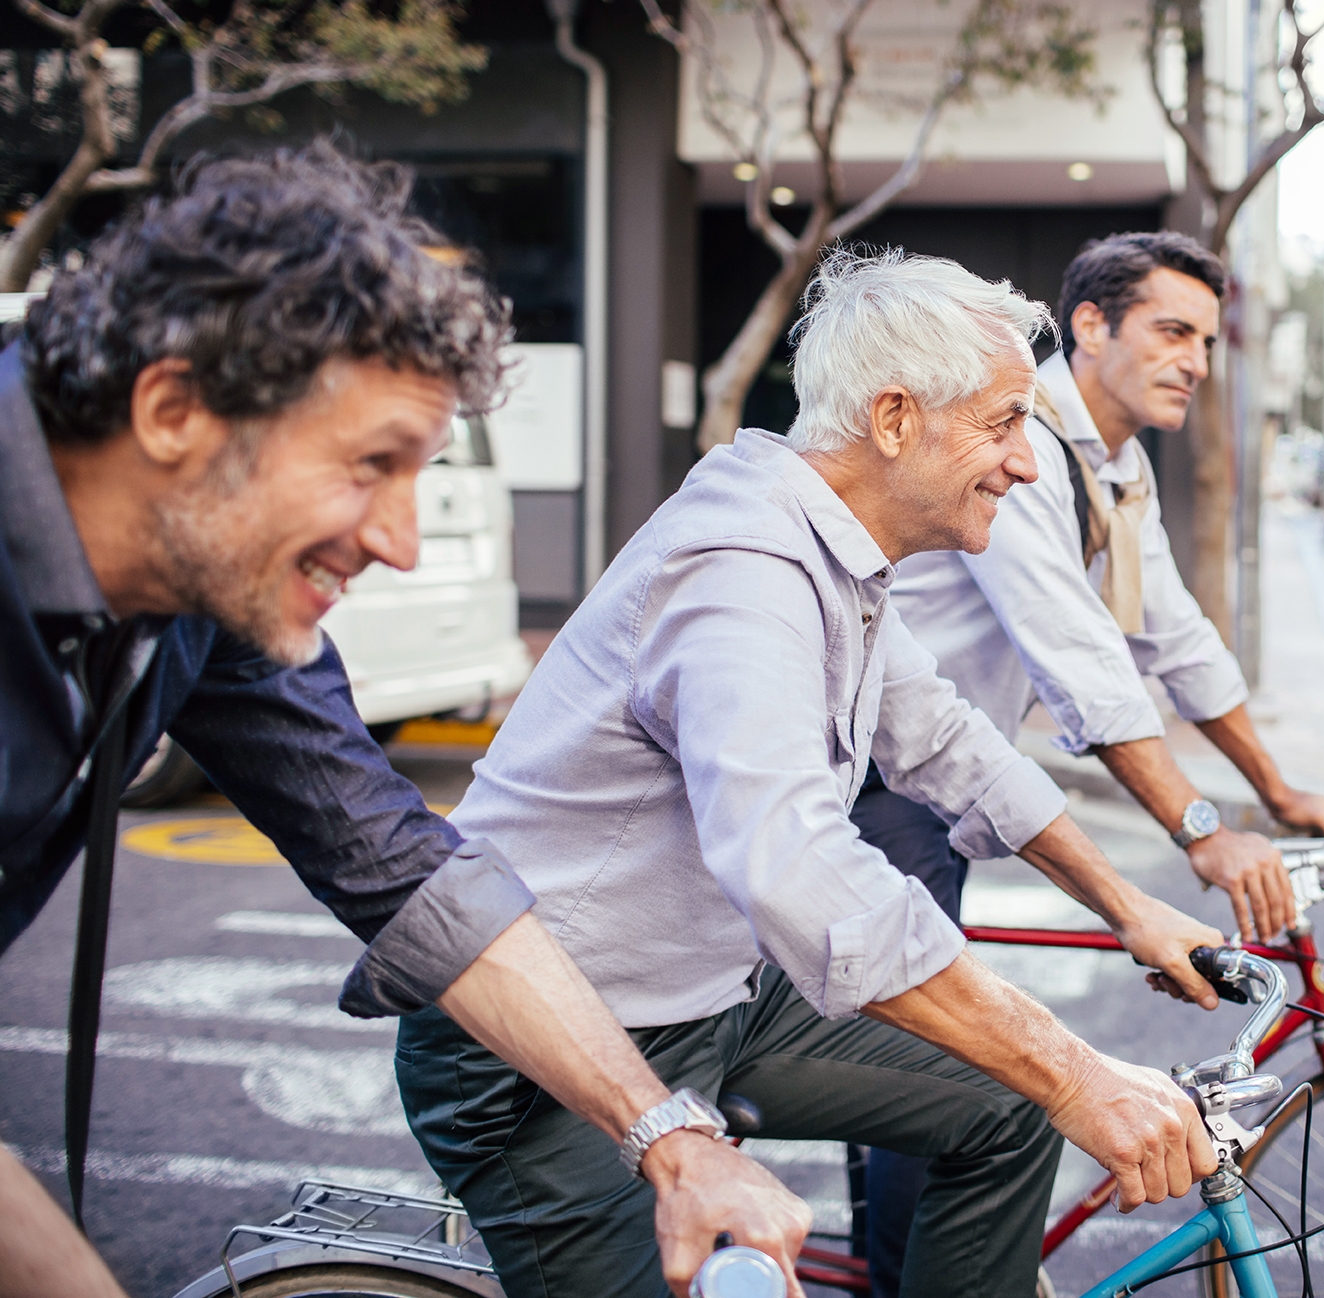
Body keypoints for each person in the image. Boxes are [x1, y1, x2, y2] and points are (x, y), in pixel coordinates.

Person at [0, 144, 808, 1298]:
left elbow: (399, 863)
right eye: (369, 466)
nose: (401, 541)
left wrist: (668, 1137)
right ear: (172, 409)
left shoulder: (203, 599)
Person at [394, 249, 1226, 1298]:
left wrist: (1127, 907)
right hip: (544, 1051)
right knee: (1040, 1080)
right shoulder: (744, 573)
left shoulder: (838, 551)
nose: (1025, 465)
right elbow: (797, 865)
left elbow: (951, 746)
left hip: (706, 1003)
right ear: (891, 421)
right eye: (1003, 422)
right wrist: (1075, 1071)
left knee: (1006, 1104)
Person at [847, 229, 1324, 1295]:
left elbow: (1172, 634)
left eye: (1206, 342)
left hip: (945, 770)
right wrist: (1200, 832)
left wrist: (1276, 791)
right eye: (1170, 331)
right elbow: (1080, 660)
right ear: (1089, 327)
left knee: (910, 1047)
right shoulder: (1019, 439)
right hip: (878, 785)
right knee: (929, 1074)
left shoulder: (1115, 467)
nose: (1192, 362)